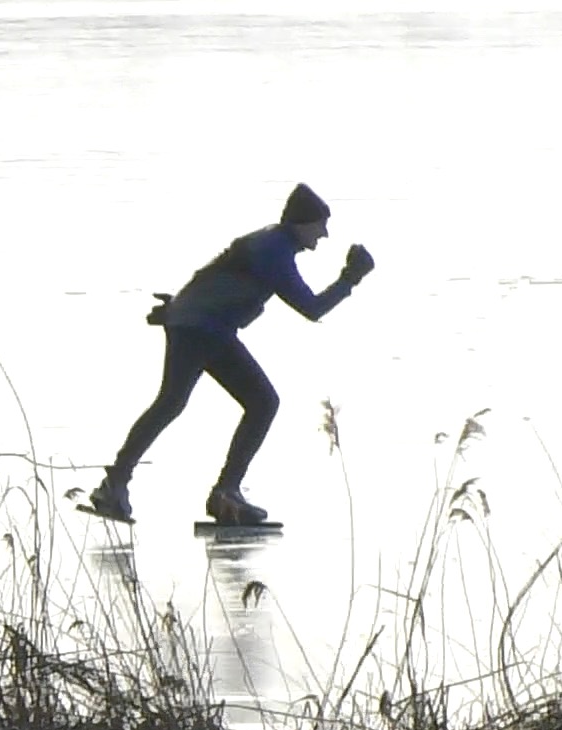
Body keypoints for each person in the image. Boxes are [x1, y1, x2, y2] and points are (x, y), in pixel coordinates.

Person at [81, 182, 373, 529]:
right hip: (204, 329)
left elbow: (211, 274)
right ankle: (222, 492)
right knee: (261, 402)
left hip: (198, 326)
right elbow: (311, 308)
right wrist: (350, 278)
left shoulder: (270, 242)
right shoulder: (274, 250)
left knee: (173, 403)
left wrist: (177, 308)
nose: (324, 234)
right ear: (301, 223)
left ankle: (121, 484)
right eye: (320, 225)